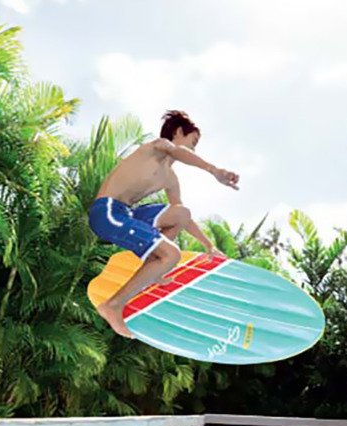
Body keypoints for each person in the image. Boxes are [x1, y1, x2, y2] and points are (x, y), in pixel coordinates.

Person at [88, 110, 240, 339]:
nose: (194, 149)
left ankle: (154, 266)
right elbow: (176, 151)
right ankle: (113, 305)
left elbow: (182, 218)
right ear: (178, 132)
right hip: (107, 212)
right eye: (193, 142)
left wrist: (209, 246)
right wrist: (214, 170)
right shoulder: (157, 146)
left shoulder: (170, 178)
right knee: (171, 254)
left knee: (181, 212)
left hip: (127, 215)